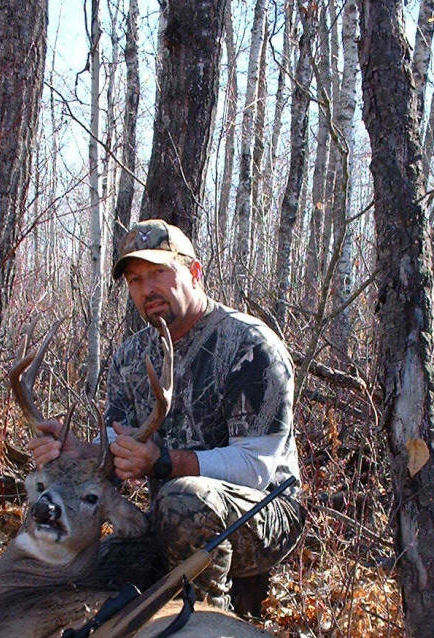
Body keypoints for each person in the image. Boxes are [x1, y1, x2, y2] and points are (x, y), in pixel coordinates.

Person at [29, 218, 303, 612]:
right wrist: (80, 451)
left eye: (159, 273)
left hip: (264, 515)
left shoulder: (249, 346)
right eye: (136, 280)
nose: (147, 289)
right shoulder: (130, 357)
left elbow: (255, 468)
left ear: (193, 272)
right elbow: (118, 444)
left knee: (182, 499)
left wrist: (162, 464)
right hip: (169, 519)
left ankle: (208, 626)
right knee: (85, 583)